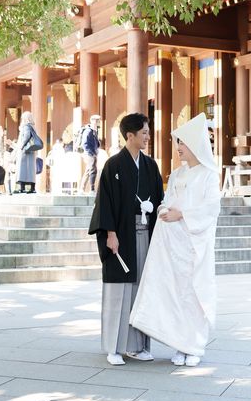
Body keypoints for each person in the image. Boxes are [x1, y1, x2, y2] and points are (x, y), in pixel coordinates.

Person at [130, 113, 221, 367]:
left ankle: (194, 346)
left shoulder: (209, 175)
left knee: (193, 294)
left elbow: (211, 208)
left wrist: (181, 214)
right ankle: (180, 344)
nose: (178, 148)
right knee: (175, 293)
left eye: (182, 143)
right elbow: (166, 200)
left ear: (194, 144)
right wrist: (163, 210)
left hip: (194, 244)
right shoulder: (178, 174)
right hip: (174, 243)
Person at [88, 112, 163, 366]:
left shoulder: (151, 166)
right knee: (119, 291)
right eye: (144, 133)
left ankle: (138, 346)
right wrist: (110, 234)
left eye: (148, 132)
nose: (148, 137)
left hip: (145, 235)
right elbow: (105, 203)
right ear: (129, 136)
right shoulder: (113, 165)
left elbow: (160, 199)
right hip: (121, 236)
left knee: (142, 290)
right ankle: (115, 347)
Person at [15, 111, 40, 194]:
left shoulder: (26, 126)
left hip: (25, 151)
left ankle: (22, 187)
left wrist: (21, 146)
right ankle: (32, 188)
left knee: (22, 169)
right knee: (30, 170)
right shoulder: (32, 126)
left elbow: (26, 136)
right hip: (31, 151)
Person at [78, 115, 101, 194]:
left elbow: (96, 143)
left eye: (98, 121)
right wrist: (91, 153)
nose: (98, 122)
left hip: (93, 153)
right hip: (89, 153)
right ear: (92, 121)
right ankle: (92, 189)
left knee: (88, 171)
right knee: (93, 170)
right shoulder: (88, 131)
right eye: (96, 121)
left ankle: (82, 189)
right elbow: (85, 144)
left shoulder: (94, 131)